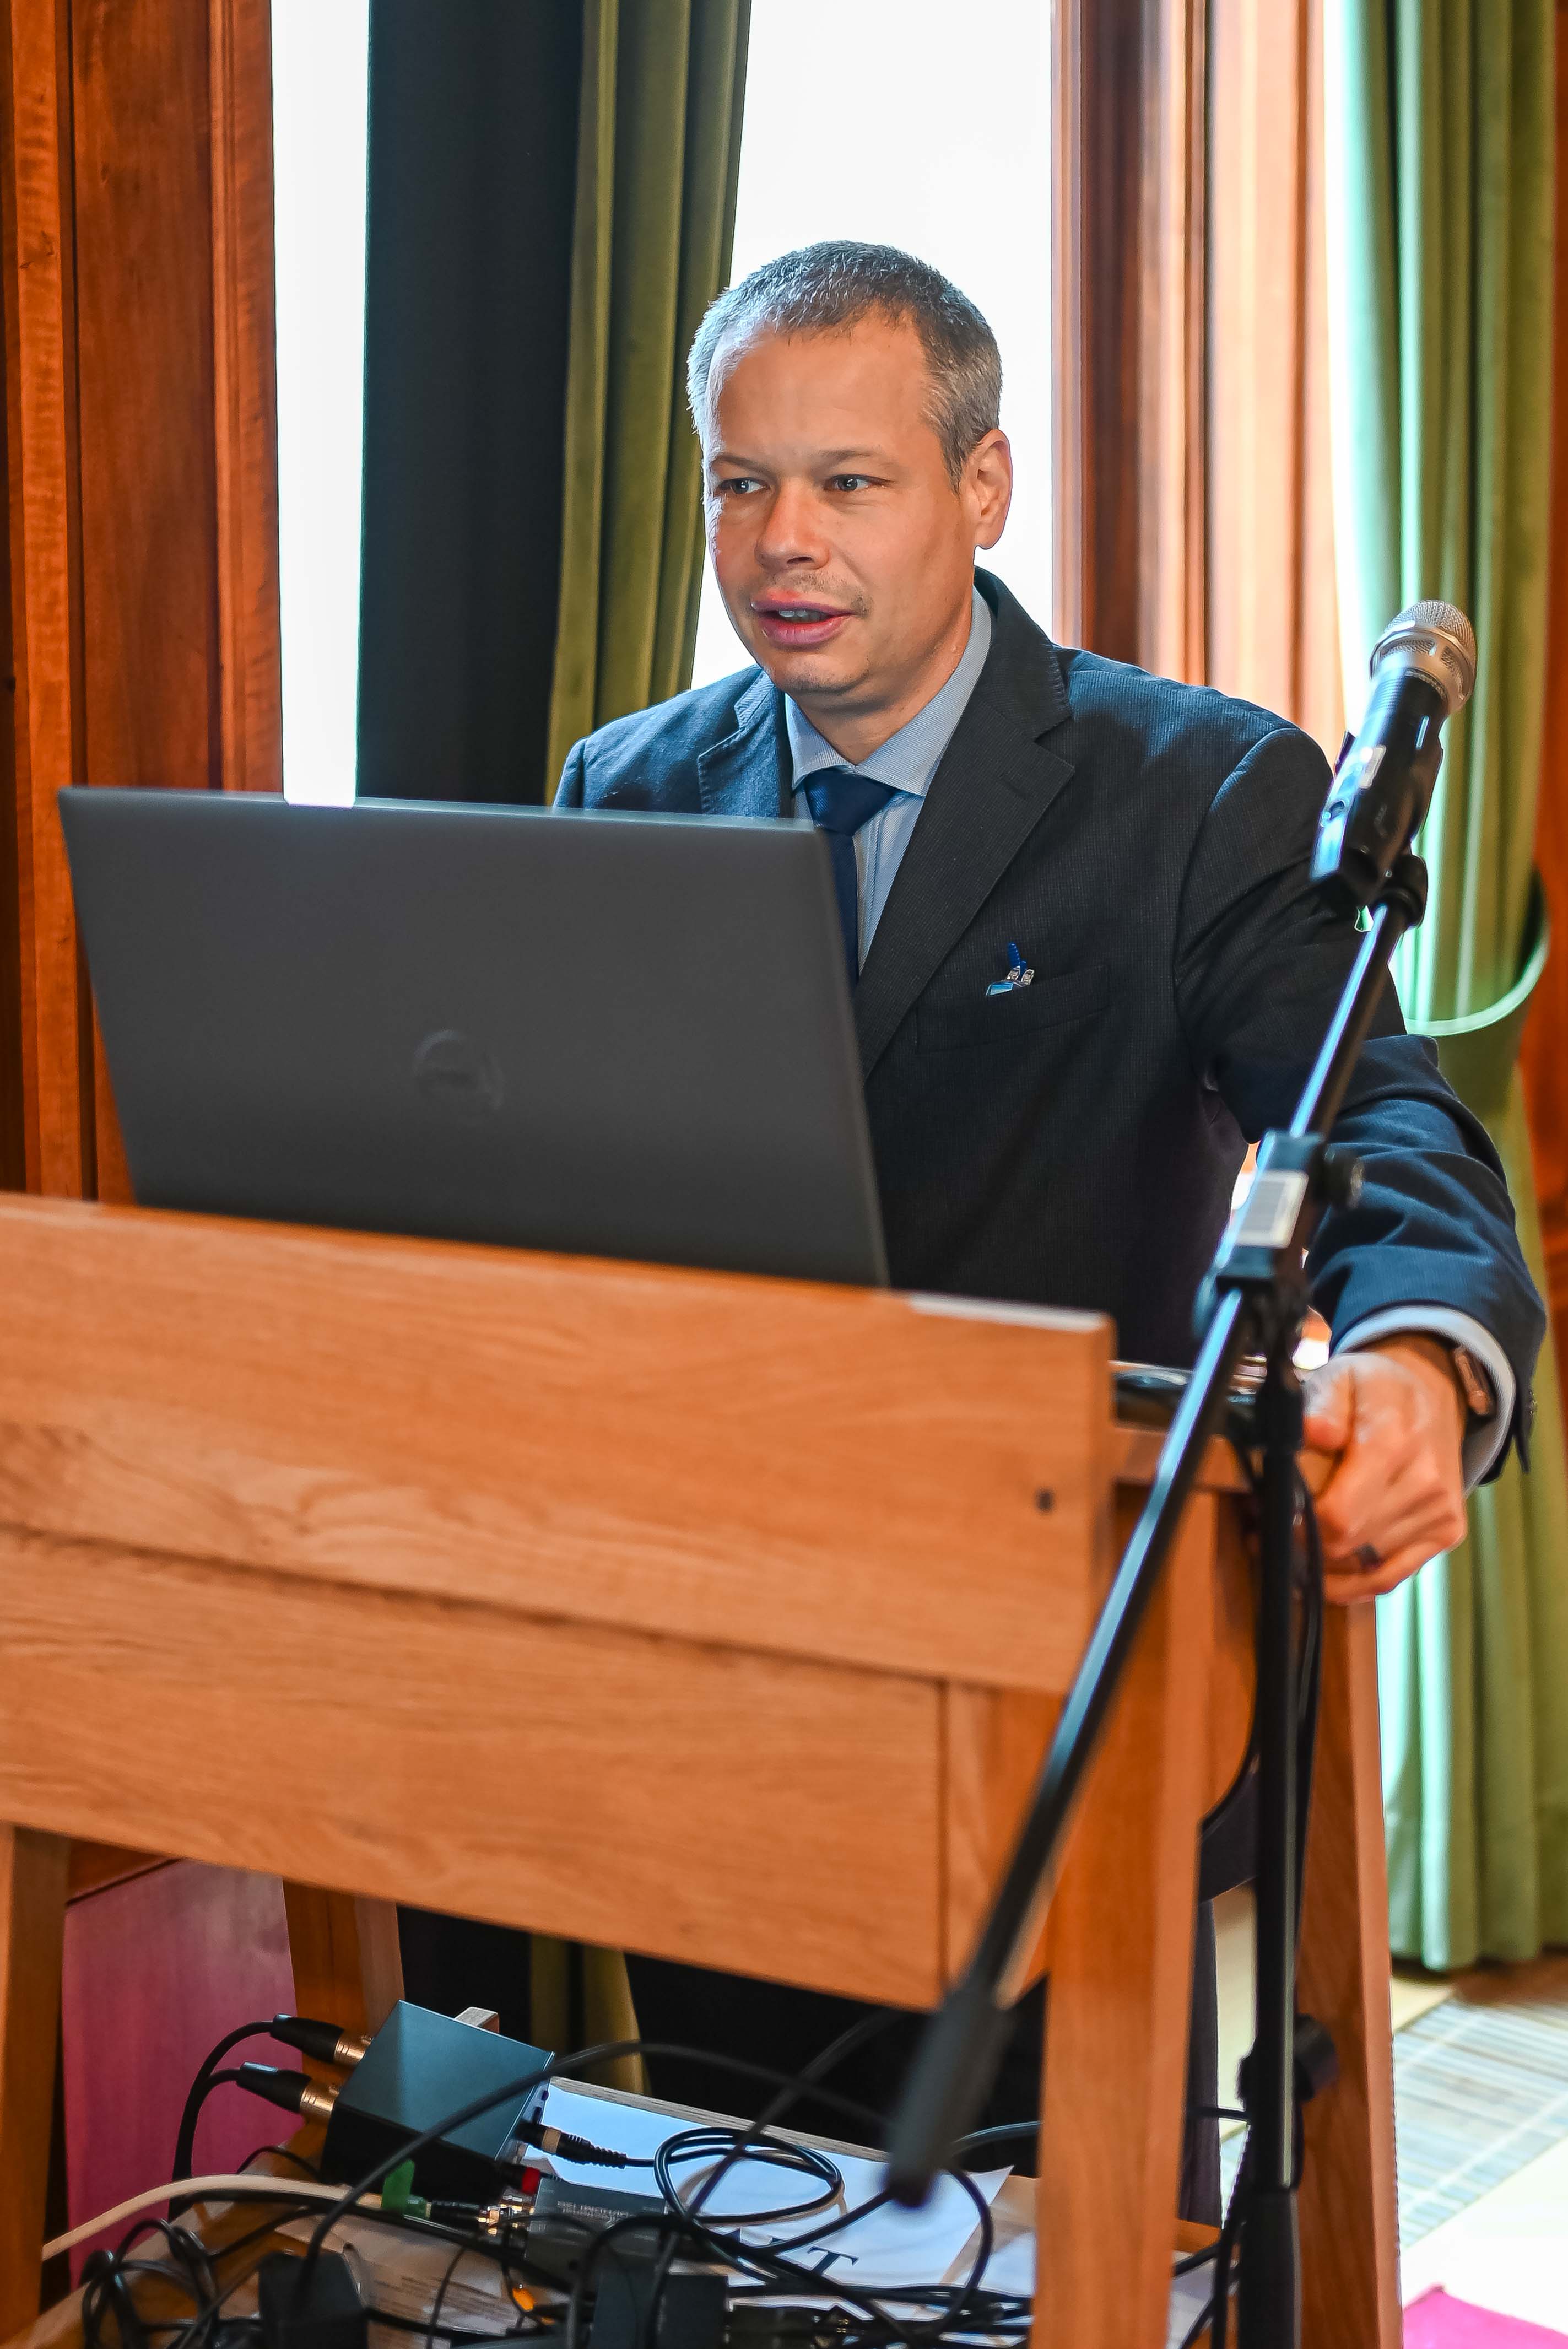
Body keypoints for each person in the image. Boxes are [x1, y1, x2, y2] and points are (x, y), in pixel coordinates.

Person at [554, 241, 1545, 2211]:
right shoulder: (628, 786)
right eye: (743, 483)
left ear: (981, 485)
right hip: (721, 1655)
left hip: (1065, 1676)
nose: (784, 540)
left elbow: (1378, 1110)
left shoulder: (1198, 786)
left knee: (1053, 2258)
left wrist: (1426, 1353)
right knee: (736, 2222)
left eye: (850, 481)